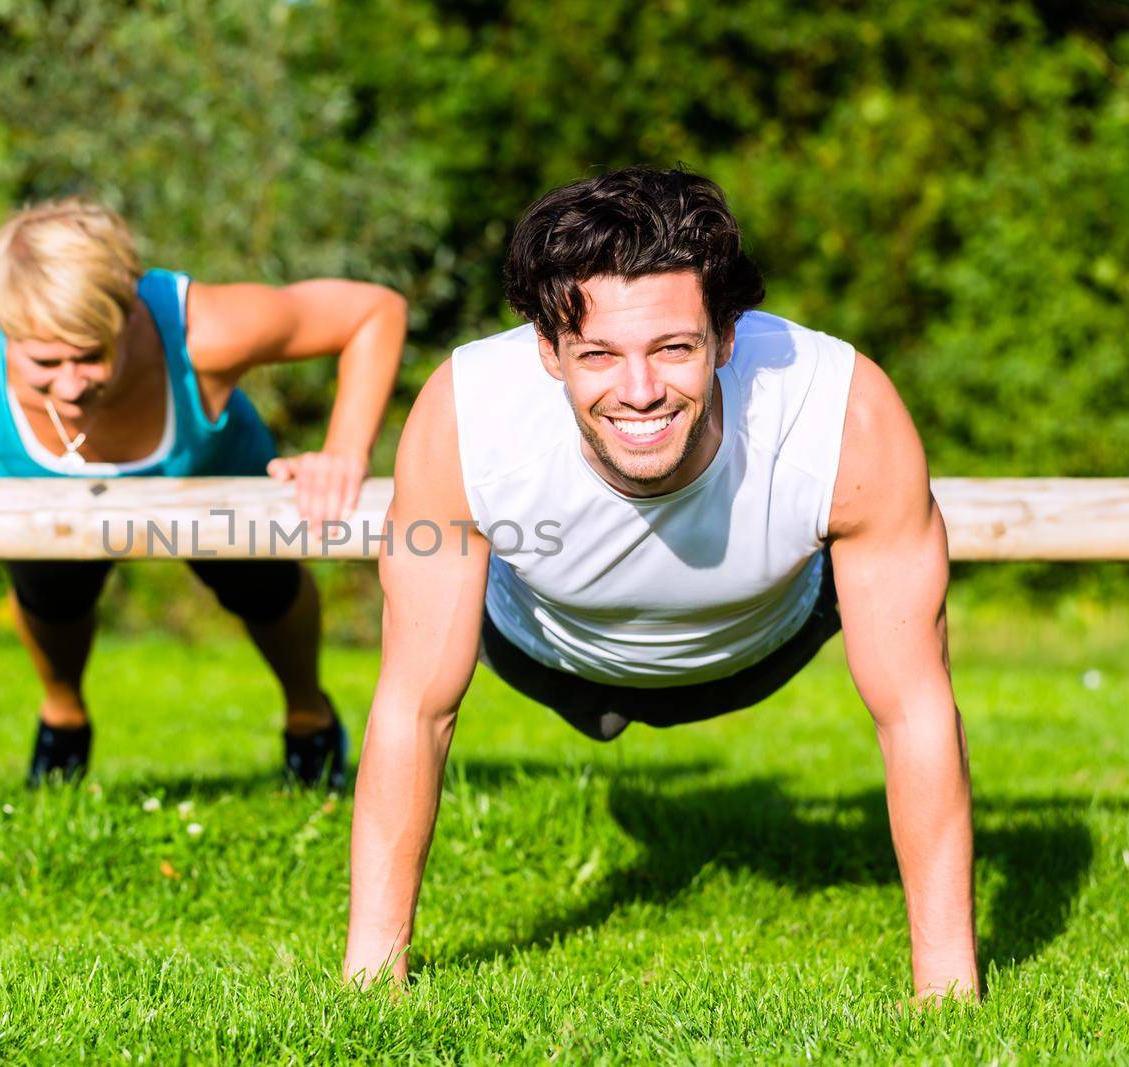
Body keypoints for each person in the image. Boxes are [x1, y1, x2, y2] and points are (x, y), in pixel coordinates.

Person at [343, 167, 978, 1001]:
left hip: (762, 642)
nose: (639, 390)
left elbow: (914, 707)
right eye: (597, 354)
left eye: (673, 348)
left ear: (725, 335)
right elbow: (414, 707)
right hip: (545, 646)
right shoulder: (467, 414)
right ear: (546, 349)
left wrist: (949, 990)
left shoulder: (841, 413)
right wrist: (368, 981)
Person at [0, 197, 407, 789]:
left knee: (261, 589)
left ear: (128, 313)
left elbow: (372, 311)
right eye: (43, 364)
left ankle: (309, 718)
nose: (69, 386)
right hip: (40, 500)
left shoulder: (202, 331)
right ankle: (63, 715)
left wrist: (343, 453)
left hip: (209, 475)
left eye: (88, 357)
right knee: (50, 595)